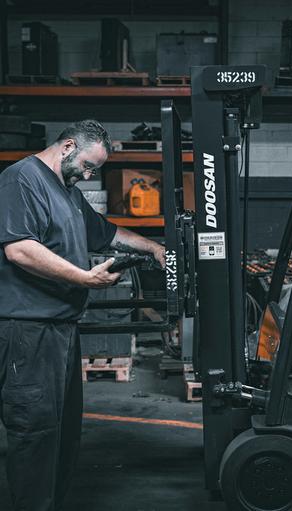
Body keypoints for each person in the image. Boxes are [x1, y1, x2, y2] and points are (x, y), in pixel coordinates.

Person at [0, 119, 166, 511]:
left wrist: (152, 248)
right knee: (34, 431)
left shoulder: (68, 191)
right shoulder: (21, 179)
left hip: (60, 329)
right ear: (68, 146)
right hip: (29, 329)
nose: (90, 175)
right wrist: (83, 278)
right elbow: (19, 249)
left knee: (63, 431)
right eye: (89, 166)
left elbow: (106, 233)